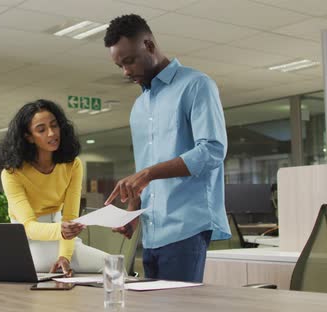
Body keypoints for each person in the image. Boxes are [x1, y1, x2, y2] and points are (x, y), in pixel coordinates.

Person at [103, 14, 230, 283]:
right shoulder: (139, 107)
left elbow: (212, 150)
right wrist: (132, 211)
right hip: (151, 230)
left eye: (129, 61)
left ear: (148, 45)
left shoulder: (196, 85)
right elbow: (144, 167)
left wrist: (148, 173)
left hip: (187, 226)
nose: (125, 71)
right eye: (119, 65)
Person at [0, 99, 106, 276]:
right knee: (48, 271)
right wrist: (62, 230)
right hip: (29, 241)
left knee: (112, 265)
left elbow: (70, 217)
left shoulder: (73, 165)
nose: (52, 133)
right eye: (41, 129)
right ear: (28, 137)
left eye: (55, 125)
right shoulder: (12, 173)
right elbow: (29, 227)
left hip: (62, 235)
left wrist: (65, 256)